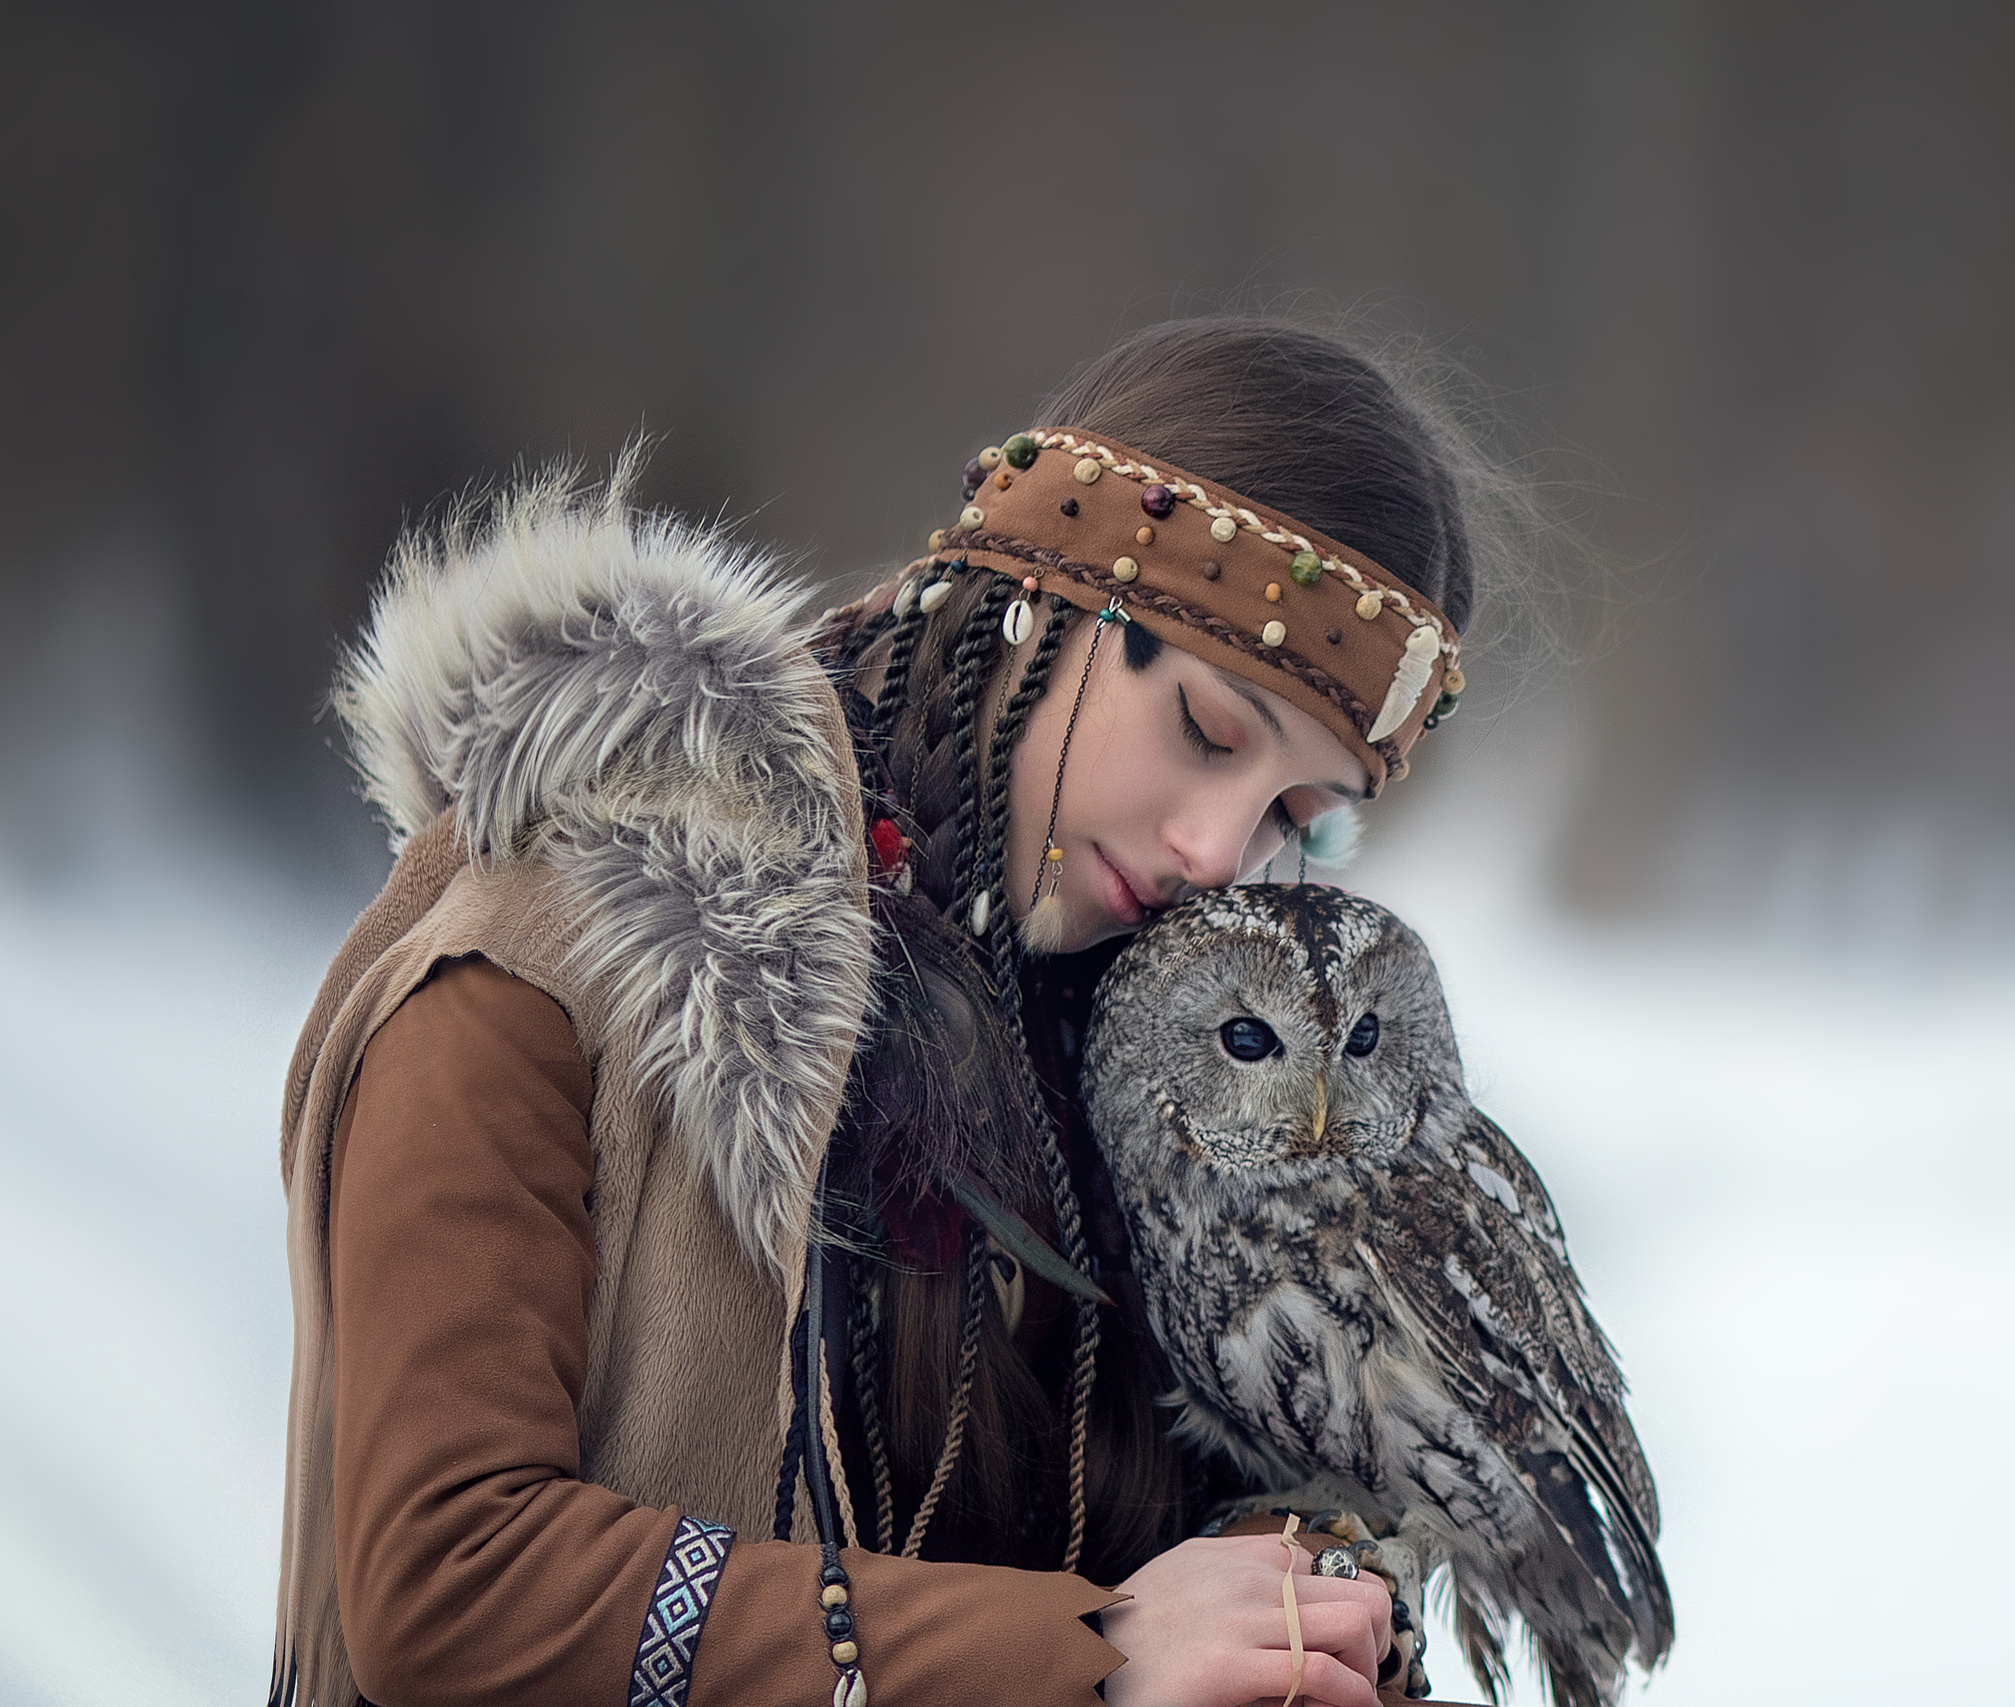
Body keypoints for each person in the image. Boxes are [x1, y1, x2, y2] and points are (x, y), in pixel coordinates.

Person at [268, 318, 1495, 1707]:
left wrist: (1296, 1602)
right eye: (1208, 733)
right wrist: (1088, 1657)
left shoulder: (1149, 1064)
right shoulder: (558, 934)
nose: (1219, 850)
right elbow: (443, 1588)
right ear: (1044, 595)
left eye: (1297, 820)